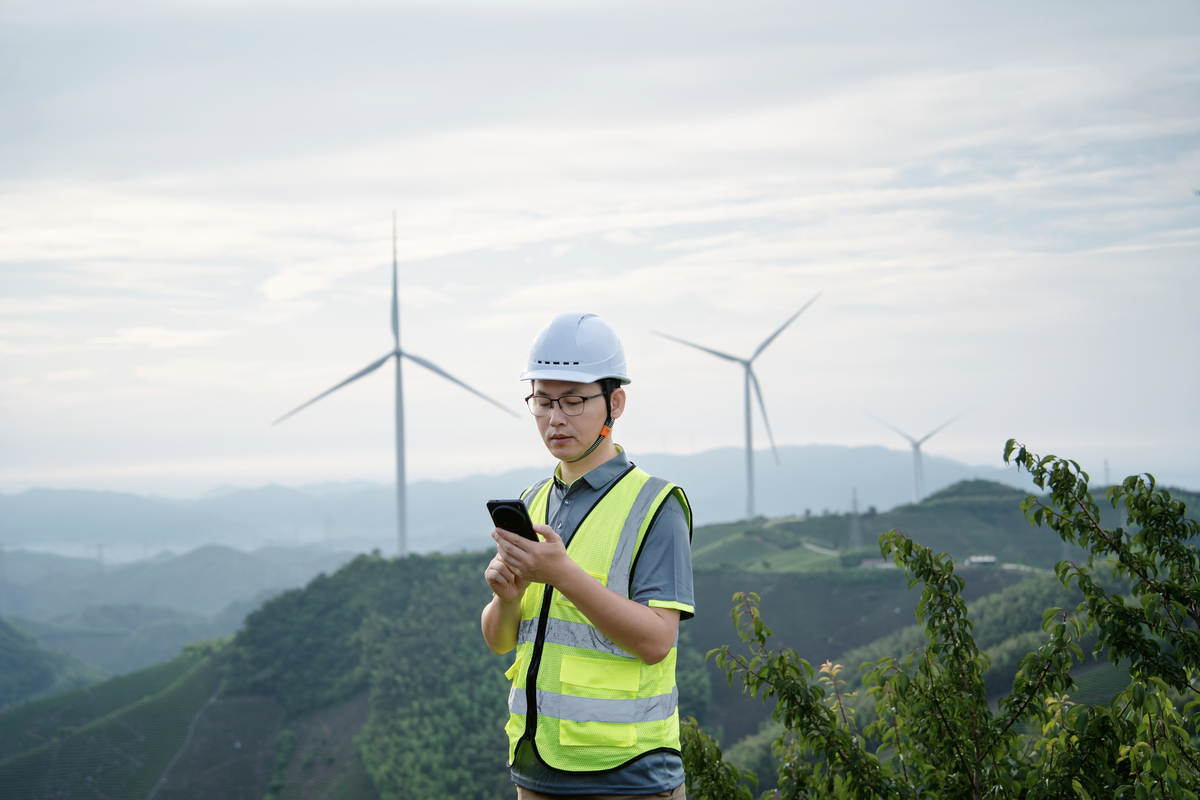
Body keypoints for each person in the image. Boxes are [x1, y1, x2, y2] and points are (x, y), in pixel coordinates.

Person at [481, 312, 695, 800]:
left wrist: (561, 575)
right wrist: (506, 599)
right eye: (541, 400)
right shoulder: (533, 501)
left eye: (574, 400)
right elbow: (499, 642)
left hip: (627, 778)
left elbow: (657, 641)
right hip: (535, 773)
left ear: (614, 402)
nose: (555, 418)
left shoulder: (656, 506)